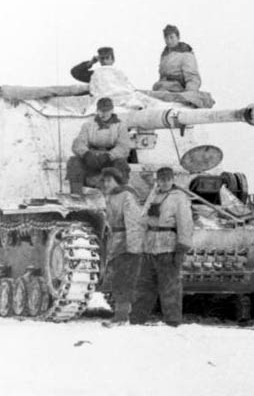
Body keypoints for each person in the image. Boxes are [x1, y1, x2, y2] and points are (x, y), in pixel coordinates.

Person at [130, 167, 193, 326]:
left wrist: (182, 248)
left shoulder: (179, 198)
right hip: (150, 246)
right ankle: (137, 319)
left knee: (169, 286)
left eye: (167, 179)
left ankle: (172, 322)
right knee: (144, 285)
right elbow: (143, 218)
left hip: (168, 246)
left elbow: (185, 223)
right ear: (157, 180)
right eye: (161, 179)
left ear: (172, 180)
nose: (164, 182)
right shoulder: (154, 194)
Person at [99, 167, 143, 326]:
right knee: (119, 280)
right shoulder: (112, 196)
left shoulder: (126, 196)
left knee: (124, 280)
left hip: (126, 243)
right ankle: (122, 315)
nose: (106, 183)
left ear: (117, 181)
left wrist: (133, 248)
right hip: (117, 243)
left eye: (109, 180)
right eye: (104, 180)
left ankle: (122, 316)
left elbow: (133, 222)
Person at [66, 97, 132, 194]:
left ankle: (118, 195)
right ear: (97, 110)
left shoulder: (120, 126)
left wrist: (109, 156)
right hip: (92, 158)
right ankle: (77, 195)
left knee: (121, 164)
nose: (103, 114)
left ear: (112, 110)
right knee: (74, 162)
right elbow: (79, 142)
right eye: (101, 111)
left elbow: (124, 146)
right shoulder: (88, 125)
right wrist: (86, 154)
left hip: (110, 159)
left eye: (106, 111)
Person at [152, 25, 202, 92]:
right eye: (166, 38)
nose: (169, 41)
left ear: (178, 37)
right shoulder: (165, 55)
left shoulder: (185, 54)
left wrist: (189, 94)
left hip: (178, 91)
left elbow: (192, 78)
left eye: (171, 37)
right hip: (163, 88)